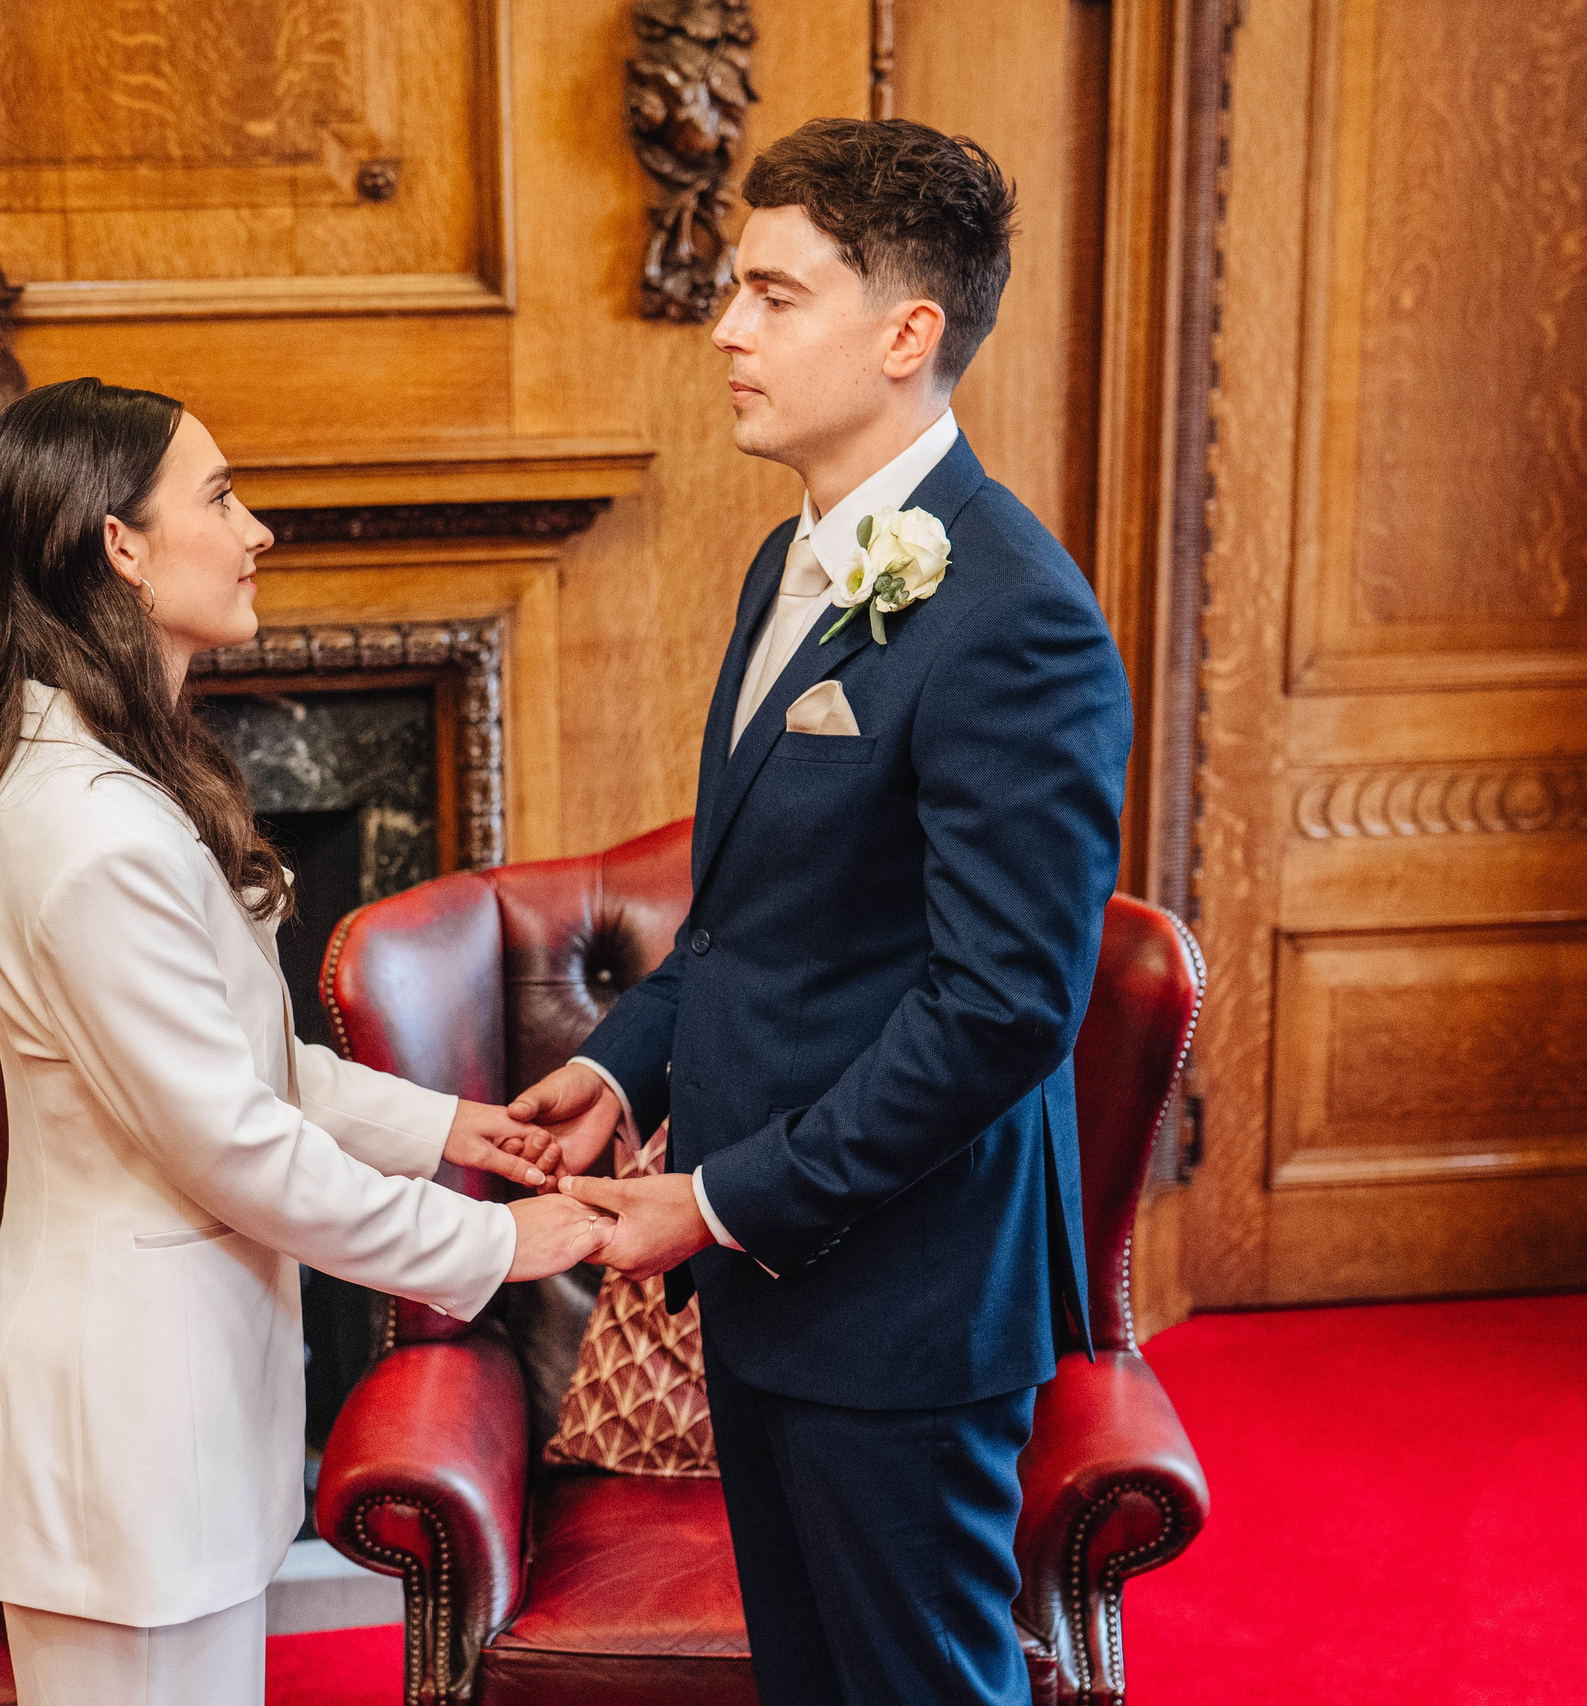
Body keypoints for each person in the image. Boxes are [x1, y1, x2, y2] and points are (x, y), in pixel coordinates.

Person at [513, 119, 1133, 1705]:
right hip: (780, 1290)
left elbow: (1003, 1007)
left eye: (775, 296)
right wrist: (622, 1063)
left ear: (907, 333)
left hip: (904, 1301)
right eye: (737, 290)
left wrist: (715, 1201)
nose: (727, 330)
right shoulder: (783, 563)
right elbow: (750, 919)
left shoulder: (1018, 622)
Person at [0, 377, 615, 1705]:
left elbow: (223, 1064)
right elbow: (232, 1146)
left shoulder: (119, 782)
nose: (260, 531)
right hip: (121, 1432)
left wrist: (445, 1129)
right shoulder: (93, 834)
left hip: (178, 1417)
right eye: (222, 496)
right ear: (116, 543)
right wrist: (496, 1242)